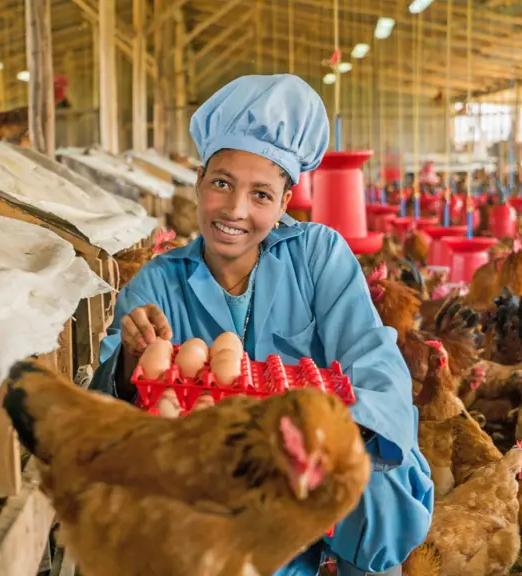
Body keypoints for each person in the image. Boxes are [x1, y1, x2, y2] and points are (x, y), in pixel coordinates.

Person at [90, 74, 433, 575]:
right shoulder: (159, 283)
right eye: (222, 184)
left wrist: (332, 438)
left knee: (382, 475)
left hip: (309, 489)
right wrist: (127, 361)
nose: (235, 211)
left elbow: (374, 359)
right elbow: (107, 413)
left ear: (286, 201)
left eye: (261, 195)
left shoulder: (317, 255)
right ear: (200, 182)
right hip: (207, 505)